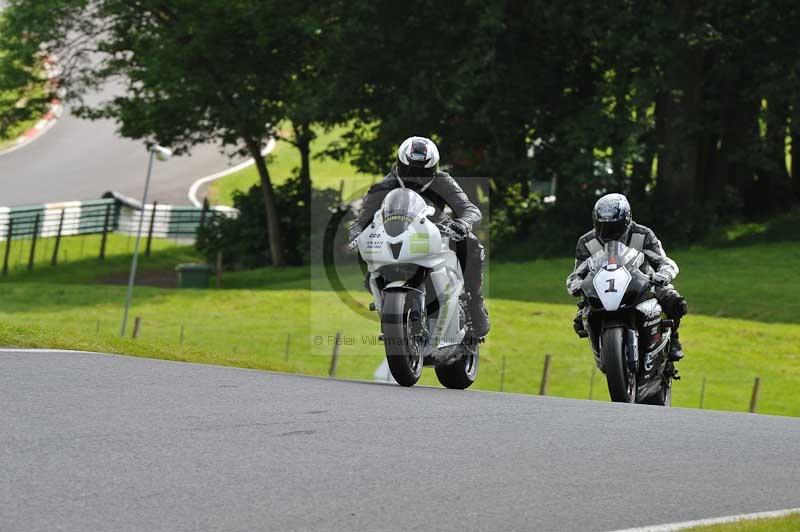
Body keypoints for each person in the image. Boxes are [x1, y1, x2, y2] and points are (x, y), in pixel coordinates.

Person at [349, 136, 490, 338]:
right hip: (395, 233)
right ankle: (376, 286)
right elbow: (362, 219)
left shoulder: (442, 180)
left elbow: (469, 209)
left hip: (437, 231)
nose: (416, 177)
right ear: (399, 164)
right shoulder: (386, 184)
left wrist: (463, 223)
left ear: (433, 168)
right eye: (410, 171)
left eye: (423, 172)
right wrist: (355, 233)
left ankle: (475, 303)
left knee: (471, 244)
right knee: (367, 242)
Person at [566, 193, 687, 361]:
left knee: (675, 302)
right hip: (603, 288)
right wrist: (575, 285)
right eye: (603, 225)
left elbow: (663, 261)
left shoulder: (643, 234)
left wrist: (663, 274)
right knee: (580, 319)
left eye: (614, 226)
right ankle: (601, 350)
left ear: (626, 220)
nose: (608, 231)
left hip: (644, 282)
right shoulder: (586, 242)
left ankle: (673, 339)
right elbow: (576, 273)